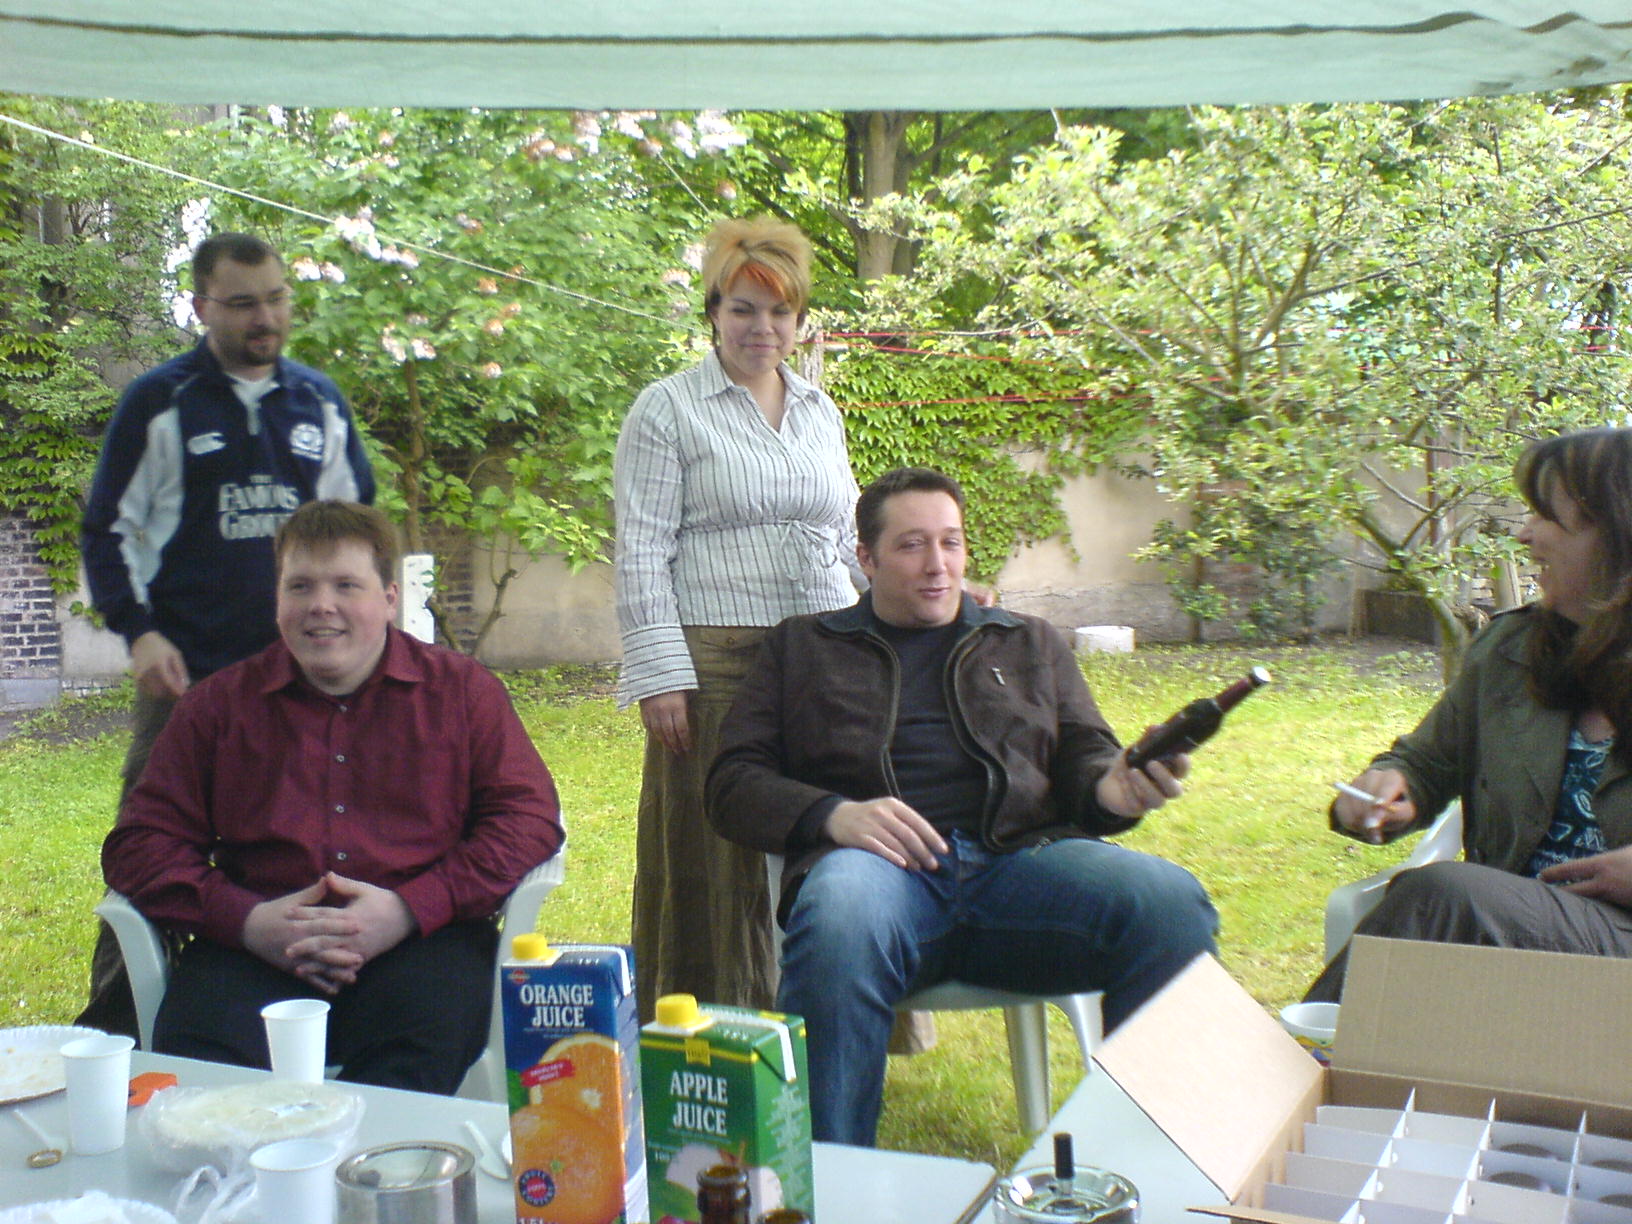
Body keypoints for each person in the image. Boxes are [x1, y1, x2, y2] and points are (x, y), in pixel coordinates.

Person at [706, 467, 1219, 1145]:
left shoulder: (1027, 641)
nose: (937, 564)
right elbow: (732, 782)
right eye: (912, 544)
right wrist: (833, 815)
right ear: (866, 558)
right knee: (839, 916)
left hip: (1020, 871)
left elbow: (1087, 756)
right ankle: (828, 1174)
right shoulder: (804, 647)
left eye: (950, 542)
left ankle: (1156, 1154)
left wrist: (1109, 790)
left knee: (1170, 902)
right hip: (879, 876)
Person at [102, 501, 562, 1093]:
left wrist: (409, 909)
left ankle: (377, 1157)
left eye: (346, 584)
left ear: (390, 598)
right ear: (277, 599)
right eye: (301, 586)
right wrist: (248, 921)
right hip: (256, 945)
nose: (322, 604)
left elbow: (527, 819)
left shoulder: (462, 694)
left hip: (420, 943)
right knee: (202, 1069)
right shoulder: (217, 708)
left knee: (412, 1066)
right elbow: (139, 846)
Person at [80, 231, 375, 1036]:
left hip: (307, 685)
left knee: (308, 842)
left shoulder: (318, 403)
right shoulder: (160, 402)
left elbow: (359, 535)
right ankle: (118, 1027)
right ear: (202, 305)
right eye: (243, 304)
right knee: (149, 854)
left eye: (276, 299)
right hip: (189, 683)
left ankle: (315, 1006)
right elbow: (107, 529)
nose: (265, 318)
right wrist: (139, 633)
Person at [614, 216, 865, 1017]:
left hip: (826, 657)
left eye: (780, 311)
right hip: (716, 662)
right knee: (719, 852)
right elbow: (640, 549)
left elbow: (848, 532)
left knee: (831, 835)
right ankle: (717, 1028)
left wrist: (913, 599)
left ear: (801, 320)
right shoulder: (666, 410)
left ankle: (834, 1016)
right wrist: (661, 674)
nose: (763, 328)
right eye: (743, 309)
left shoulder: (821, 411)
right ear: (713, 313)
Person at [1307, 427, 1632, 1003]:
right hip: (1503, 941)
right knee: (1455, 904)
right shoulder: (1510, 650)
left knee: (1445, 896)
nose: (1525, 534)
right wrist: (1389, 787)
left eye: (1547, 516)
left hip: (1613, 963)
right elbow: (1425, 763)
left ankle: (1307, 1053)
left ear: (1618, 535)